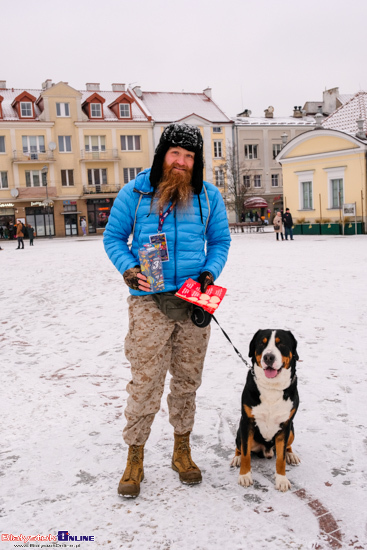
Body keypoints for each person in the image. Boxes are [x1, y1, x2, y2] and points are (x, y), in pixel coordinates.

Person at [104, 123, 231, 499]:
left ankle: (181, 450)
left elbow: (220, 240)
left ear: (197, 162)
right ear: (162, 155)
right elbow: (113, 237)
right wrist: (128, 269)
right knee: (146, 380)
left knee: (188, 381)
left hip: (194, 299)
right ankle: (135, 456)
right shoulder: (135, 193)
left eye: (189, 156)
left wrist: (210, 272)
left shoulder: (208, 197)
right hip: (149, 302)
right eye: (176, 153)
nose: (182, 161)